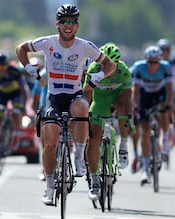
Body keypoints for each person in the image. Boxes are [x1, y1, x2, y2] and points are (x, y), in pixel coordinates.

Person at [15, 4, 116, 205]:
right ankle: (50, 186)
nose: (68, 25)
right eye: (64, 22)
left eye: (72, 22)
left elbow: (110, 64)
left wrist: (99, 75)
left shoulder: (85, 46)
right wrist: (28, 67)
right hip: (54, 97)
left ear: (77, 25)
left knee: (82, 108)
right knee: (50, 140)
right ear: (57, 24)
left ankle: (79, 158)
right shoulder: (48, 42)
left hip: (73, 95)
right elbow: (21, 48)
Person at [83, 42, 133, 200]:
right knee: (93, 139)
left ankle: (123, 145)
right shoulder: (94, 70)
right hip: (99, 101)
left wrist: (126, 118)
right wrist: (85, 118)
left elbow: (127, 98)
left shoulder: (124, 71)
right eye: (105, 63)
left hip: (116, 99)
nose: (109, 67)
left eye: (113, 64)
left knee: (123, 106)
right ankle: (94, 180)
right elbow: (87, 95)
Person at [130, 46, 173, 184]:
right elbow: (135, 91)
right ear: (145, 61)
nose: (153, 65)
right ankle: (145, 168)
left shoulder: (166, 67)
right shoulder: (139, 67)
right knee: (145, 129)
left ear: (160, 61)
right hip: (145, 95)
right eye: (150, 62)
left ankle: (165, 139)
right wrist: (136, 107)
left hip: (160, 94)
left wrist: (167, 105)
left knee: (164, 113)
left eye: (156, 62)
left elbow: (170, 89)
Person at [0, 52, 29, 166]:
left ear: (7, 64)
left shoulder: (15, 71)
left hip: (16, 93)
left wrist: (24, 107)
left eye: (3, 66)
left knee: (16, 112)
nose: (1, 69)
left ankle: (15, 133)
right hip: (3, 94)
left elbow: (23, 91)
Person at [157, 21, 175, 149]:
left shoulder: (173, 62)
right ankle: (158, 137)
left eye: (167, 50)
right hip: (159, 91)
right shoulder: (154, 63)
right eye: (162, 50)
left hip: (174, 90)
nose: (165, 52)